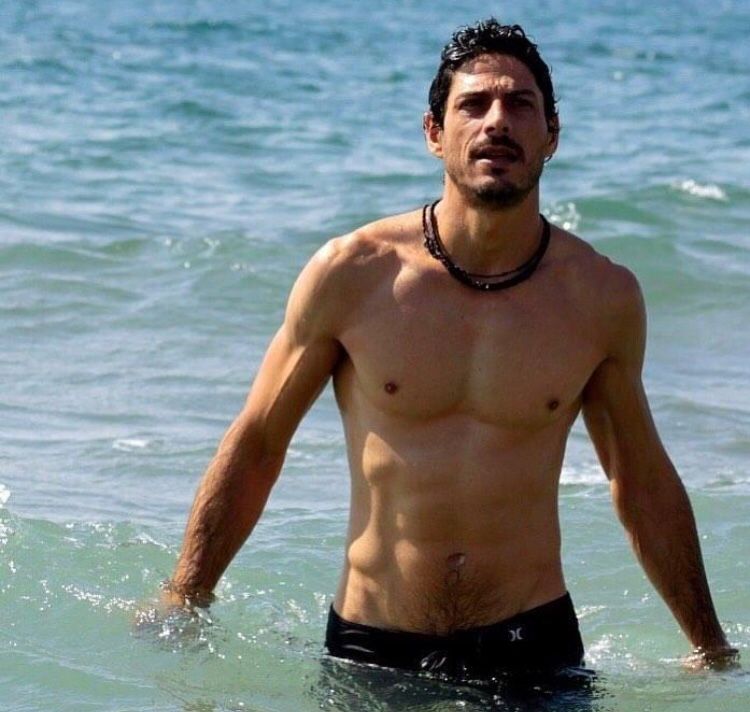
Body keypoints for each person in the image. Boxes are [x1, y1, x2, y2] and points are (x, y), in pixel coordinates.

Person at [161, 19, 737, 684]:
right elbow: (260, 441)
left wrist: (711, 646)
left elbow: (640, 480)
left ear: (551, 134)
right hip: (372, 645)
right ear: (434, 133)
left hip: (533, 649)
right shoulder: (352, 274)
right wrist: (185, 595)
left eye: (520, 104)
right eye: (474, 104)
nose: (497, 122)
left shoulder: (600, 298)